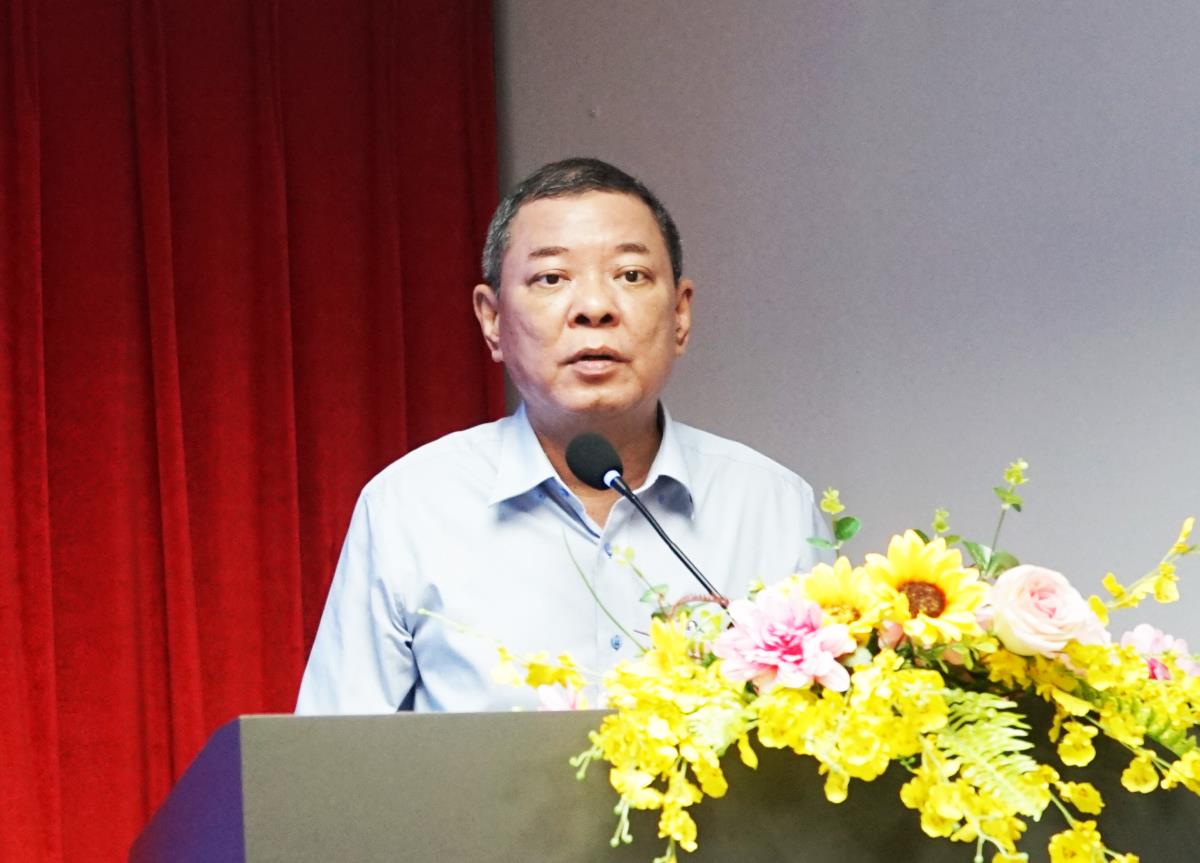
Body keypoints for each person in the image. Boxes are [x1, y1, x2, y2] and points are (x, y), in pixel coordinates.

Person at [295, 158, 829, 714]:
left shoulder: (775, 508)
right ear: (492, 320)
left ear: (680, 314)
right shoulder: (409, 507)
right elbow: (332, 750)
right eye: (551, 278)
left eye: (630, 275)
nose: (595, 308)